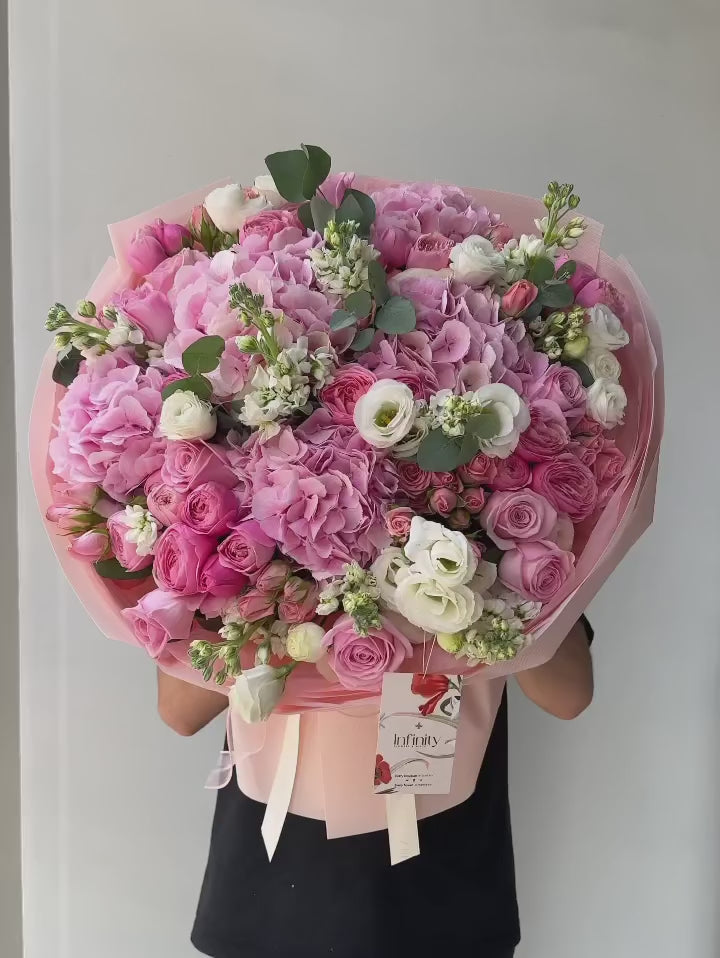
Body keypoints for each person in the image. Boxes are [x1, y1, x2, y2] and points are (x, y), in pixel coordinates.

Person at [158, 617, 594, 958]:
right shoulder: (241, 537)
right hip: (273, 888)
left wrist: (481, 585)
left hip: (437, 890)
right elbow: (180, 711)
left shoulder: (490, 531)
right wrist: (263, 596)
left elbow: (568, 695)